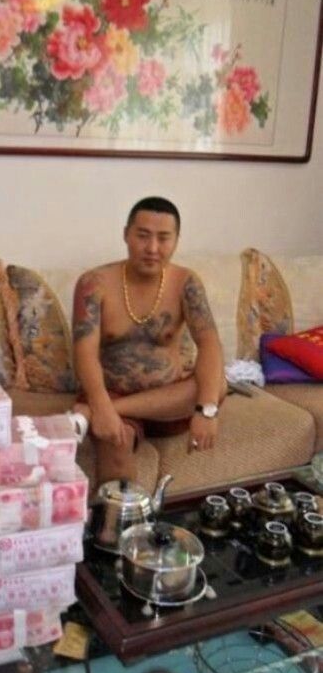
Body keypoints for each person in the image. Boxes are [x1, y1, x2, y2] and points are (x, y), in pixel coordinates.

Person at [72, 196, 227, 486]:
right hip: (111, 393)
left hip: (169, 402)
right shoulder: (94, 283)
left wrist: (207, 410)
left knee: (216, 384)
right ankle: (124, 528)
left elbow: (209, 343)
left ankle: (97, 413)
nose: (153, 248)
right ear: (126, 234)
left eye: (163, 238)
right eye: (142, 236)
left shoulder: (186, 282)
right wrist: (101, 404)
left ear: (176, 241)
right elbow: (84, 352)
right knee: (115, 446)